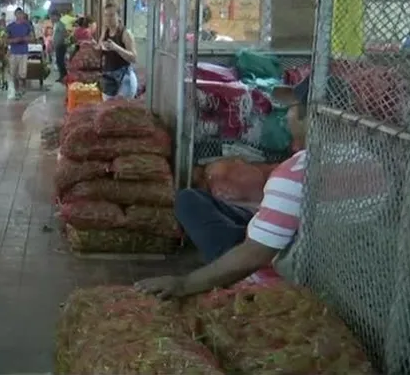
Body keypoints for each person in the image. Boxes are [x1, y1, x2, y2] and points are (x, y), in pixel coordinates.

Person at [135, 76, 326, 299]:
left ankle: (228, 265)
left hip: (277, 267)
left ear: (309, 114)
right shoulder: (370, 158)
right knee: (191, 199)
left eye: (292, 108)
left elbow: (255, 254)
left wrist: (184, 284)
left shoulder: (298, 173)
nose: (287, 116)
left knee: (188, 204)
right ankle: (256, 227)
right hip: (310, 246)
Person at [98, 3, 138, 100]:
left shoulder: (125, 33)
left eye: (111, 15)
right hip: (109, 77)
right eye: (106, 15)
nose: (108, 18)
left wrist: (116, 48)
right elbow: (99, 46)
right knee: (107, 112)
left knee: (121, 111)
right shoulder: (106, 31)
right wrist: (102, 45)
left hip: (124, 78)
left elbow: (134, 58)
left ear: (118, 16)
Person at [5, 7, 35, 99]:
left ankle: (22, 88)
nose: (20, 16)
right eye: (18, 14)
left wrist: (25, 39)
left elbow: (32, 38)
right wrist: (14, 40)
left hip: (23, 52)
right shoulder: (10, 27)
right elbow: (6, 40)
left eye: (21, 14)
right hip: (14, 52)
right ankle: (17, 89)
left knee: (22, 73)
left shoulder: (27, 26)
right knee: (13, 73)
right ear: (15, 15)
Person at [50, 9, 68, 83]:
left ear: (57, 16)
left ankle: (64, 76)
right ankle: (62, 76)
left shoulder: (60, 24)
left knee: (60, 61)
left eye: (53, 17)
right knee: (58, 61)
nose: (51, 18)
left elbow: (64, 34)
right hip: (57, 45)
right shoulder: (56, 24)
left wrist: (59, 42)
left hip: (61, 45)